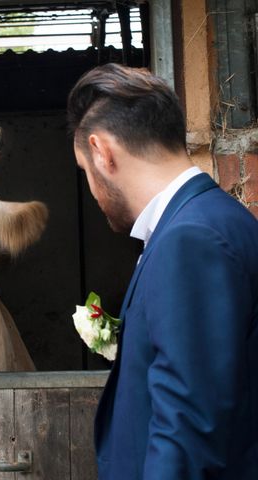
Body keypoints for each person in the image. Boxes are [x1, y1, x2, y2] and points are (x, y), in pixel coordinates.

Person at [67, 63, 258, 479]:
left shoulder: (191, 239)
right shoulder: (209, 219)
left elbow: (187, 430)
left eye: (86, 173)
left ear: (101, 152)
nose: (94, 192)